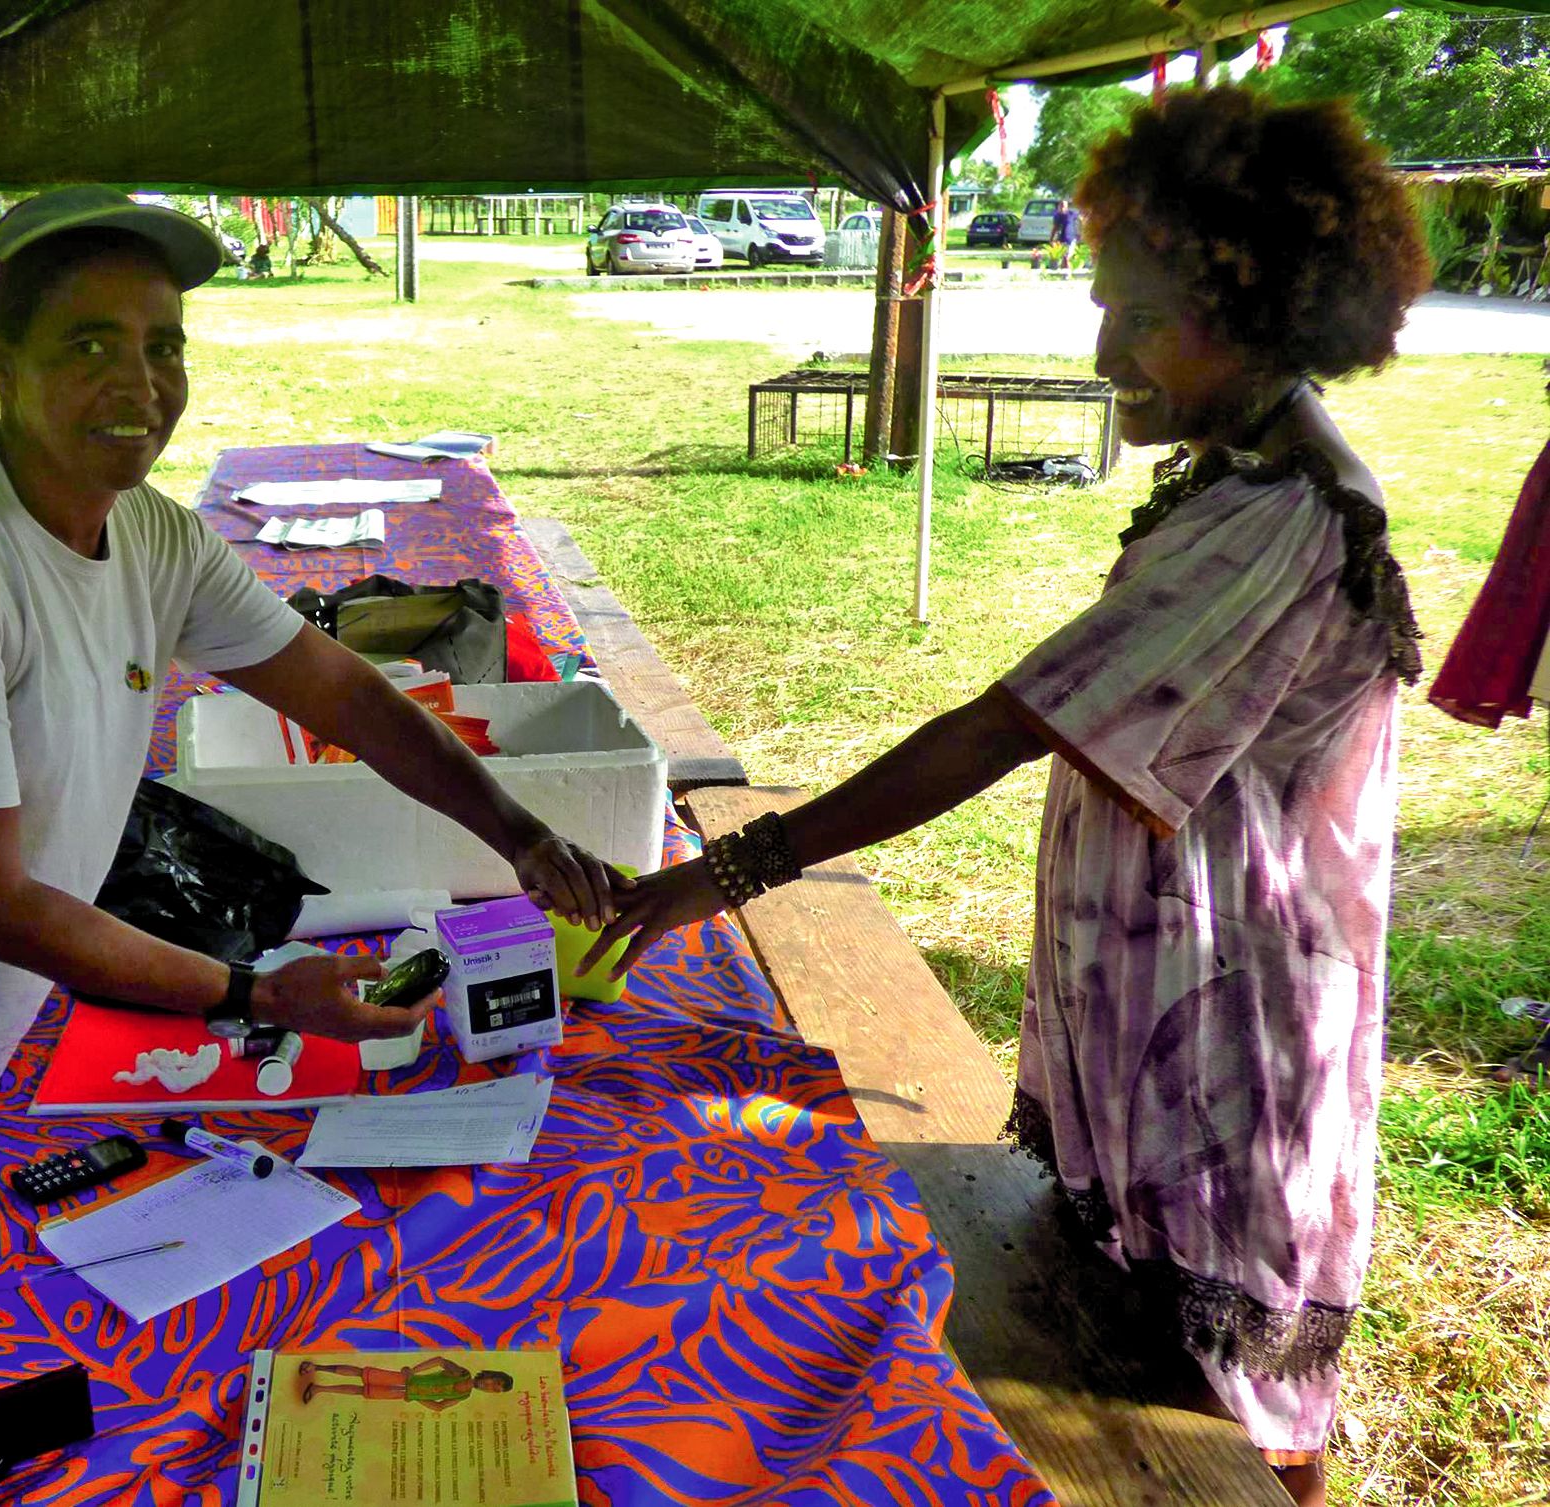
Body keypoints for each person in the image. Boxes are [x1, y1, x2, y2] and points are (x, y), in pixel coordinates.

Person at [0, 185, 624, 1470]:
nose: (142, 379)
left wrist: (514, 827)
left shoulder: (150, 535)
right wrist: (259, 994)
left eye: (163, 342)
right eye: (88, 342)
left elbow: (337, 690)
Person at [584, 87, 1428, 1506]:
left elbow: (999, 726)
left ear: (1262, 306)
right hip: (1160, 983)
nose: (1105, 353)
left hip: (1222, 1027)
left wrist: (719, 876)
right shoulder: (1246, 463)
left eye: (1140, 317)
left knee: (1223, 1391)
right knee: (1125, 1327)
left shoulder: (1280, 514)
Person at [296, 1356, 513, 1410]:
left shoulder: (463, 1396)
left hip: (402, 1393)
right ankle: (317, 1368)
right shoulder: (463, 1374)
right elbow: (440, 1361)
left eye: (495, 1390)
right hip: (404, 1379)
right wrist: (413, 1371)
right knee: (363, 1374)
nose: (490, 1387)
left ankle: (319, 1388)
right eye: (494, 1382)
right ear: (490, 1375)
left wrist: (417, 1397)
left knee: (362, 1391)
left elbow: (439, 1406)